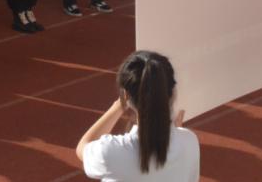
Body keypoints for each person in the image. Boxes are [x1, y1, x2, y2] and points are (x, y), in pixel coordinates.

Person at [77, 50, 199, 181]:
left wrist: (118, 106)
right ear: (170, 93)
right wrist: (179, 132)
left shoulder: (109, 152)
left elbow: (83, 147)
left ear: (126, 95)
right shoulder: (190, 141)